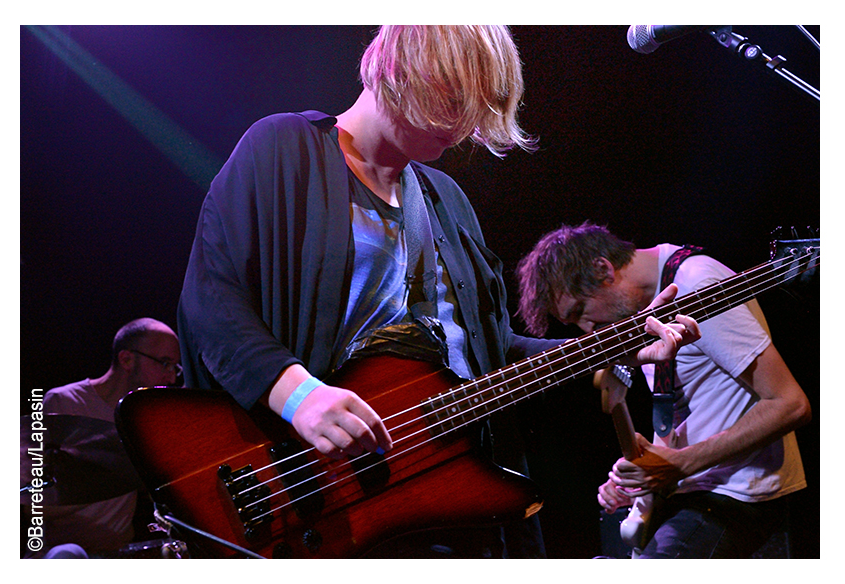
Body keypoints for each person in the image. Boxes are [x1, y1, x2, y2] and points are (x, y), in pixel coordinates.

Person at [177, 26, 698, 558]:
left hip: (449, 488)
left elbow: (492, 351)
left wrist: (611, 349)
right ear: (402, 67)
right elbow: (211, 299)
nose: (467, 125)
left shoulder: (447, 199)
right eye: (455, 99)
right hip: (323, 489)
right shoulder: (286, 149)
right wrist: (299, 395)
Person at [515, 222, 811, 558]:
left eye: (581, 311)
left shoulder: (696, 284)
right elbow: (689, 411)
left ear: (602, 269)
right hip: (699, 492)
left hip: (737, 498)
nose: (587, 330)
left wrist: (680, 464)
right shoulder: (648, 304)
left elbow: (790, 403)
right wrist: (647, 473)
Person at [37, 317, 181, 556]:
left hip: (120, 554)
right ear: (126, 359)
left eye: (175, 367)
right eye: (164, 363)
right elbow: (36, 506)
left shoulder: (144, 417)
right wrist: (113, 470)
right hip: (62, 554)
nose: (172, 378)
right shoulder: (63, 401)